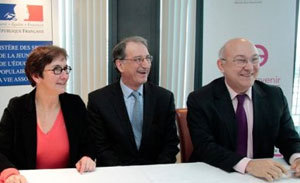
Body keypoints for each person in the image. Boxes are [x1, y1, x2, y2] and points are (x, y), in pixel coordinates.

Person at [187, 38, 300, 181]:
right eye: (241, 61)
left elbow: (288, 138)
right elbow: (205, 147)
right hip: (215, 174)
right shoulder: (201, 99)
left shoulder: (274, 96)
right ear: (221, 65)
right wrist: (248, 165)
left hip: (261, 178)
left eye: (254, 60)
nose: (250, 67)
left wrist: (297, 158)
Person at [0, 45, 95, 183]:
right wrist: (10, 174)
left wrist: (87, 157)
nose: (65, 76)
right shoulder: (17, 107)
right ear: (36, 76)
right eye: (57, 69)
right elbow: (1, 151)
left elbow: (89, 143)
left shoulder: (74, 104)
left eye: (65, 69)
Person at [88, 36, 179, 166]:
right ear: (120, 65)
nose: (146, 65)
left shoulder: (164, 98)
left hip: (156, 173)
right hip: (116, 174)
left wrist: (157, 171)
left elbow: (171, 143)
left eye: (148, 58)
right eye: (138, 59)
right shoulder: (99, 100)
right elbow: (100, 146)